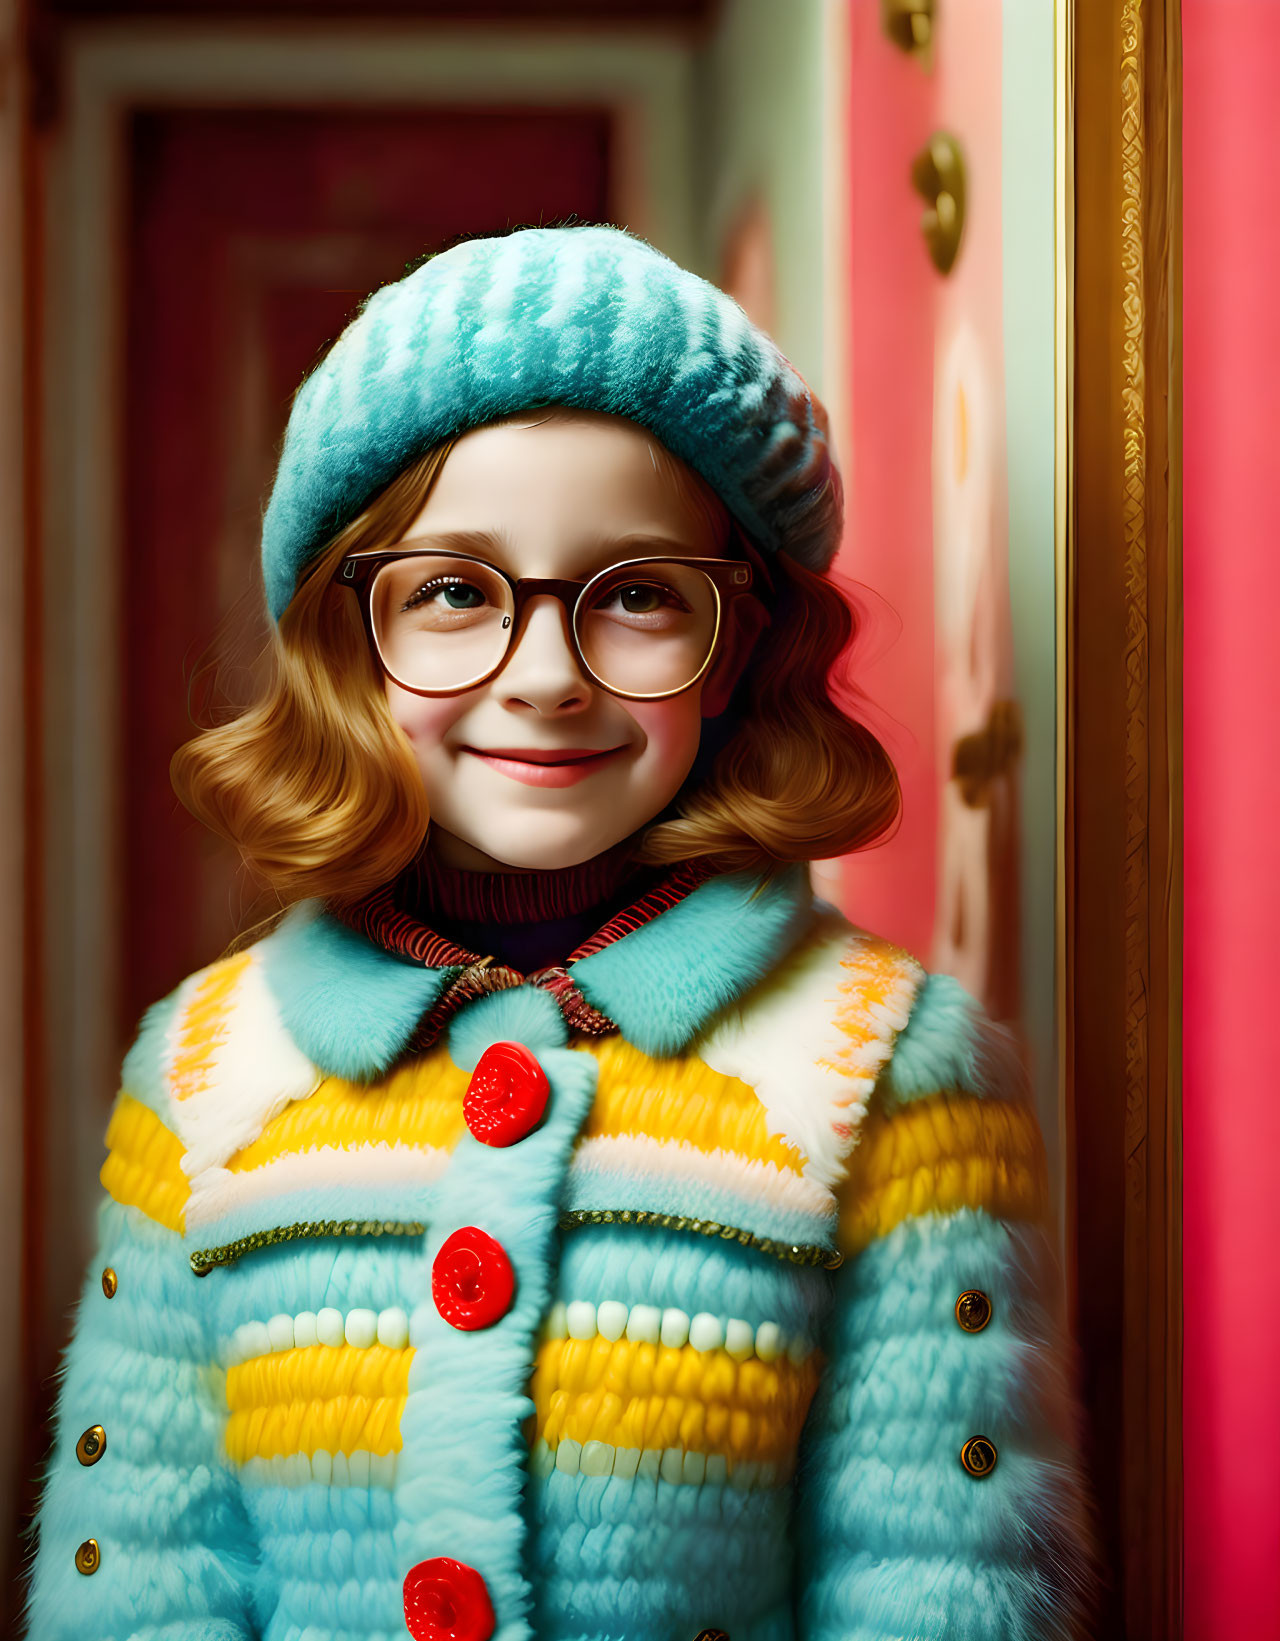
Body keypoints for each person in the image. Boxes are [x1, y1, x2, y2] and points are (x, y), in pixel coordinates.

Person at [22, 222, 1100, 1640]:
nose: (543, 677)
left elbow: (944, 1588)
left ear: (742, 651)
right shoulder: (207, 1071)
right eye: (456, 590)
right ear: (352, 642)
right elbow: (139, 1580)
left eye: (639, 594)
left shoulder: (888, 1069)